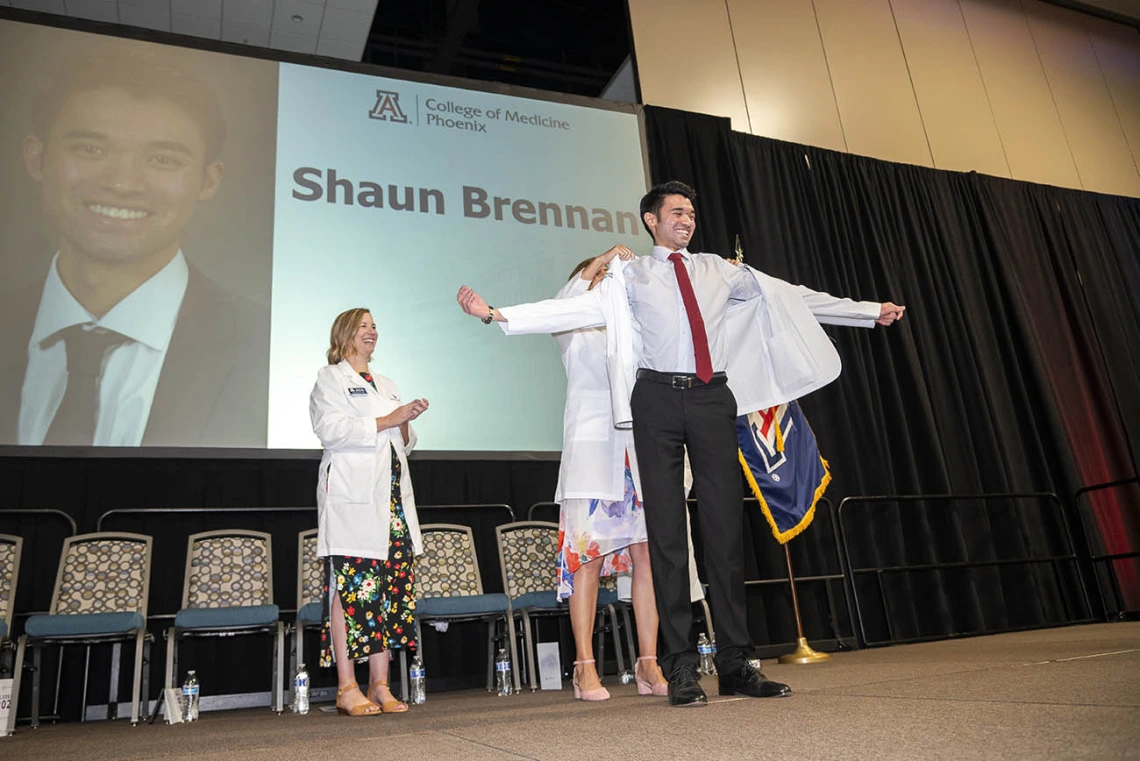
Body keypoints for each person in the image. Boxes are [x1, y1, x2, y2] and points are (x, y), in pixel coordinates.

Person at [458, 180, 905, 707]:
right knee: (665, 533)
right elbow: (574, 311)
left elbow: (787, 294)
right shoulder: (632, 275)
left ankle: (738, 664)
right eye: (676, 212)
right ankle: (680, 667)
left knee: (723, 531)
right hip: (656, 399)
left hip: (713, 395)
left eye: (692, 212)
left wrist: (863, 309)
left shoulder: (718, 269)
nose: (686, 220)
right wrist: (497, 315)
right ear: (651, 220)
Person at [0, 49, 269, 447]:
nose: (123, 183)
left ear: (208, 181)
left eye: (162, 159)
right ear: (37, 159)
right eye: (90, 149)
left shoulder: (267, 347)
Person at [546, 247, 670, 701]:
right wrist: (599, 260)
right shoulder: (570, 327)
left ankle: (648, 663)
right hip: (592, 456)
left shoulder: (630, 332)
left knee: (647, 558)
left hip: (634, 457)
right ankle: (583, 667)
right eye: (600, 279)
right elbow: (567, 296)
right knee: (589, 560)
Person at [309, 307, 430, 716]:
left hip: (391, 505)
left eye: (375, 326)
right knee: (351, 592)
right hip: (353, 504)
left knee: (389, 595)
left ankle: (380, 684)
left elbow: (402, 444)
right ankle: (347, 687)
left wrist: (406, 424)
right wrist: (388, 419)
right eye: (364, 326)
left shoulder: (387, 383)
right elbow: (332, 431)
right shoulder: (331, 378)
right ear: (345, 333)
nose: (372, 332)